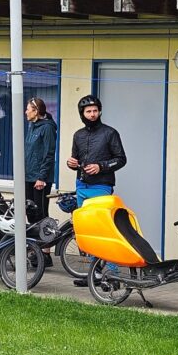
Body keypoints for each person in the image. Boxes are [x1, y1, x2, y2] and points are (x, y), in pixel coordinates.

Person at [68, 95, 126, 287]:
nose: (92, 114)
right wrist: (71, 163)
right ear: (82, 114)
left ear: (100, 111)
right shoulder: (78, 135)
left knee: (105, 231)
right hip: (81, 186)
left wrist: (101, 166)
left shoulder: (110, 133)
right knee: (89, 232)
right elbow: (75, 161)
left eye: (95, 111)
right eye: (88, 111)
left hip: (101, 186)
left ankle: (113, 275)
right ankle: (95, 275)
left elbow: (121, 159)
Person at [24, 97, 57, 266]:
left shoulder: (48, 128)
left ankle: (45, 253)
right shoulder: (32, 126)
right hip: (28, 176)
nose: (26, 112)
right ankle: (36, 249)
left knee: (41, 214)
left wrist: (42, 177)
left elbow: (49, 154)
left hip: (40, 179)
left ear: (36, 111)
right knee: (31, 213)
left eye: (28, 109)